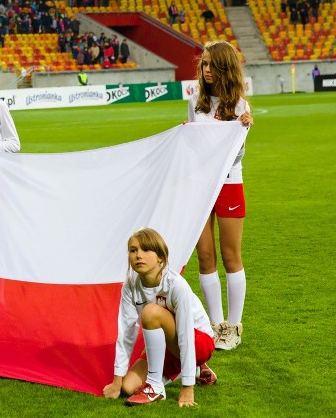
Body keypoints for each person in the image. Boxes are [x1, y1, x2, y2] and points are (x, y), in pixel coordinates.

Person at [103, 227, 216, 407]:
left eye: (146, 249)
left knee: (150, 312)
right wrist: (117, 381)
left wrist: (187, 388)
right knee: (128, 387)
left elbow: (186, 335)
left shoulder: (176, 284)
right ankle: (196, 370)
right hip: (170, 345)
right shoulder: (130, 287)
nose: (138, 255)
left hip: (199, 342)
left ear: (160, 258)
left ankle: (155, 387)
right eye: (133, 250)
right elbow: (126, 333)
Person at [188, 41, 253, 351]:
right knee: (205, 256)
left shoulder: (240, 106)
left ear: (226, 67)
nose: (207, 70)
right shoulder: (196, 103)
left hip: (228, 184)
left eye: (212, 64)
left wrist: (241, 133)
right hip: (199, 186)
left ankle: (235, 325)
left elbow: (237, 156)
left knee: (230, 257)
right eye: (203, 64)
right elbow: (192, 147)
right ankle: (217, 326)